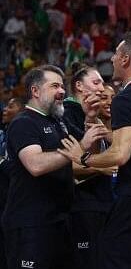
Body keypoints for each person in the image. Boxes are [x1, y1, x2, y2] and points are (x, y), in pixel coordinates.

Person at [58, 33, 131, 269]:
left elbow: (121, 155)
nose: (111, 58)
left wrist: (83, 157)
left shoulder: (126, 98)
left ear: (125, 59)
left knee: (111, 257)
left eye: (115, 54)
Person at [3, 65, 105, 269]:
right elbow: (35, 164)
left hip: (60, 221)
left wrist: (92, 119)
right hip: (31, 224)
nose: (62, 91)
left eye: (62, 86)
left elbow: (88, 155)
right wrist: (78, 148)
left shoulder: (59, 122)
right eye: (55, 86)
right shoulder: (24, 123)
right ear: (35, 91)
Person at [62, 62, 115, 269]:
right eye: (96, 82)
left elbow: (88, 157)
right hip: (82, 204)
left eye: (102, 83)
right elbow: (70, 163)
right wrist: (104, 168)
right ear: (79, 86)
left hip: (100, 201)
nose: (101, 88)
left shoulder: (91, 116)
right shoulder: (66, 114)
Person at [0, 97, 25, 269]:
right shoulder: (3, 134)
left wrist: (1, 161)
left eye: (11, 106)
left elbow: (19, 169)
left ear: (22, 110)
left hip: (17, 203)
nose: (5, 110)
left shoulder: (25, 134)